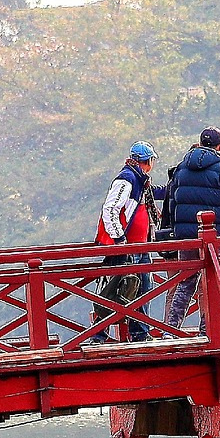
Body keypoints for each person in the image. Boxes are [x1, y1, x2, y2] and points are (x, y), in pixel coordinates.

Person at [156, 127, 220, 332]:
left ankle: (170, 330)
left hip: (188, 238)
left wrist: (177, 232)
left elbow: (172, 204)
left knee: (185, 282)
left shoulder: (181, 169)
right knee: (216, 282)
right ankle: (209, 329)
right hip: (216, 237)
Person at [92, 142, 157, 341]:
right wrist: (119, 238)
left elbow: (153, 195)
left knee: (142, 289)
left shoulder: (139, 180)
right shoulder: (127, 179)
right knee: (117, 290)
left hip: (139, 246)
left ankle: (140, 334)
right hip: (127, 246)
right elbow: (110, 209)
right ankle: (99, 335)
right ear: (147, 161)